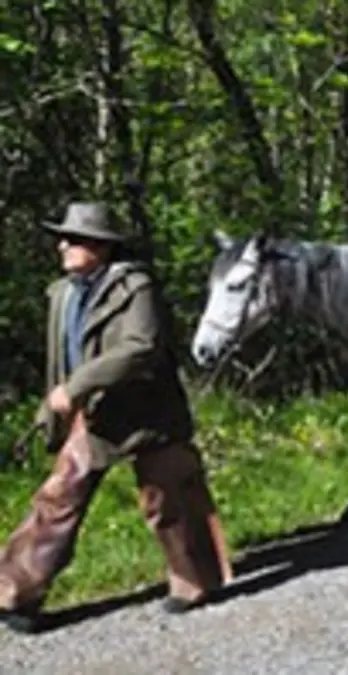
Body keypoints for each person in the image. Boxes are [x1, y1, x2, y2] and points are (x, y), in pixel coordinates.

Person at [0, 202, 232, 633]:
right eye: (63, 238)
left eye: (74, 239)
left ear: (101, 246)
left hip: (147, 413)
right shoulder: (63, 293)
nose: (63, 245)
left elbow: (141, 347)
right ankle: (14, 592)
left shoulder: (135, 286)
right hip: (96, 415)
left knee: (168, 500)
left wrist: (76, 386)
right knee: (58, 498)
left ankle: (195, 582)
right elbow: (61, 360)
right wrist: (55, 403)